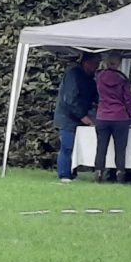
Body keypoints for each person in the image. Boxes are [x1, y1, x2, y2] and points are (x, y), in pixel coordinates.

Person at [53, 52, 99, 183]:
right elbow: (70, 99)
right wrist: (83, 116)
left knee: (76, 147)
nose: (97, 67)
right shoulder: (73, 74)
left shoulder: (89, 78)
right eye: (95, 64)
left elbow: (95, 96)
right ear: (86, 62)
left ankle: (72, 173)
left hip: (78, 117)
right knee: (67, 146)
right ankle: (64, 175)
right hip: (67, 117)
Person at [94, 52, 131, 184]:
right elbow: (127, 100)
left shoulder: (99, 76)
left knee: (101, 147)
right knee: (120, 148)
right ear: (119, 63)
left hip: (102, 115)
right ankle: (120, 173)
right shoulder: (122, 79)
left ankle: (98, 172)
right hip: (120, 116)